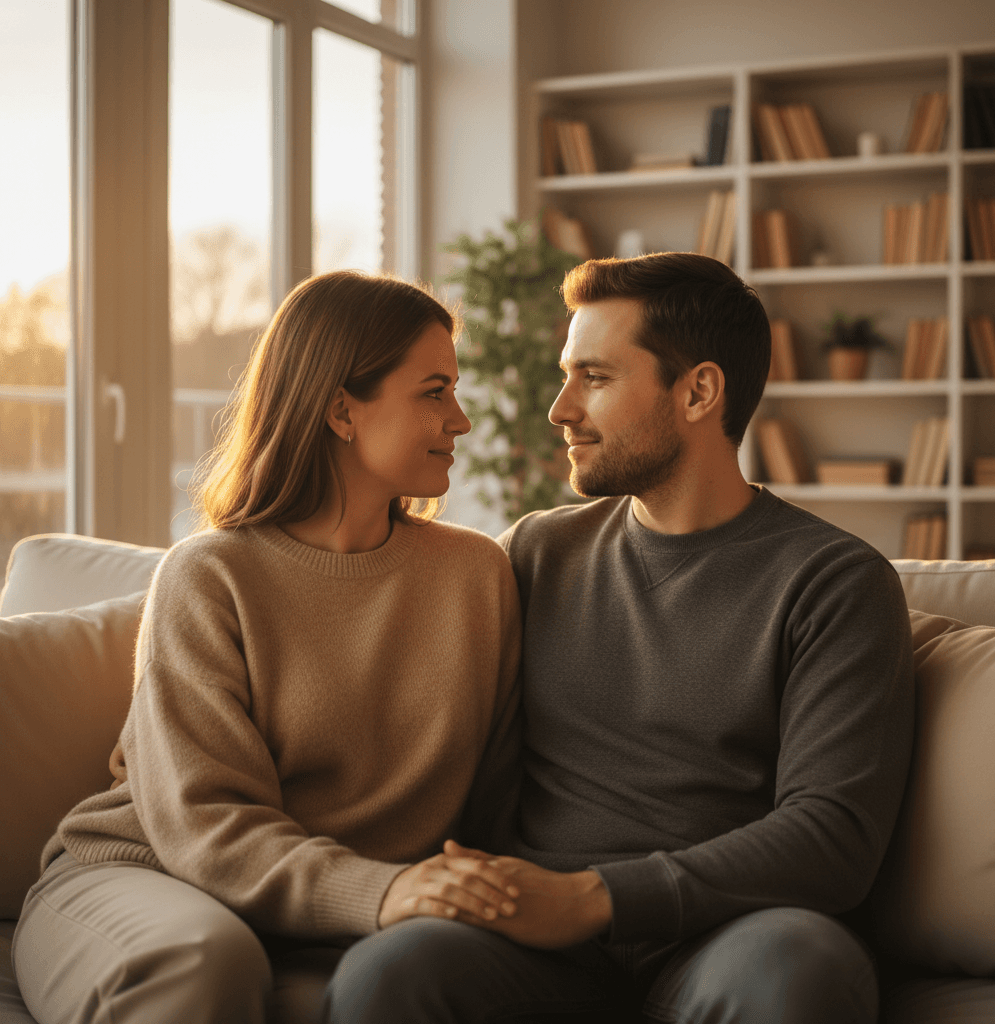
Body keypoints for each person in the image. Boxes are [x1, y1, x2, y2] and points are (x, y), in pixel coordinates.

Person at [323, 252, 915, 1024]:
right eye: (568, 376)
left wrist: (594, 898)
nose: (560, 408)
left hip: (726, 935)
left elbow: (832, 837)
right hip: (532, 942)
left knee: (797, 970)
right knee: (388, 975)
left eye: (594, 379)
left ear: (698, 391)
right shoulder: (535, 553)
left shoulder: (834, 582)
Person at [12, 270, 524, 1024]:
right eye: (434, 391)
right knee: (204, 962)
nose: (462, 420)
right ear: (340, 410)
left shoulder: (476, 576)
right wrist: (378, 891)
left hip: (338, 910)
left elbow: (500, 798)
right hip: (151, 876)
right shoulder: (209, 576)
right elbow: (204, 821)